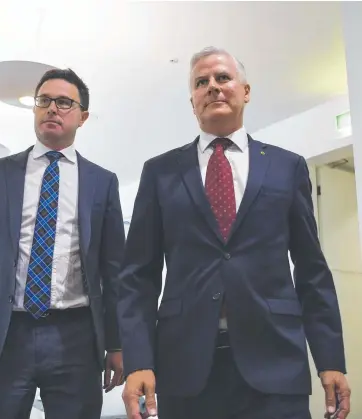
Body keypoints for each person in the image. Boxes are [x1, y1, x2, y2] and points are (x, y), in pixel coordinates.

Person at [117, 47, 351, 419]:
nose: (212, 87)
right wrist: (138, 361)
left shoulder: (286, 167)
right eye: (201, 82)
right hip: (185, 367)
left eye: (223, 78)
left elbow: (311, 269)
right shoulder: (160, 172)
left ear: (245, 91)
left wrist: (330, 359)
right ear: (192, 102)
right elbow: (137, 278)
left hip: (275, 363)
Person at [0, 68, 126, 419]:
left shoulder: (103, 183)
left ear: (82, 116)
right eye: (44, 101)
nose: (52, 108)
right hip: (4, 333)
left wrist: (117, 343)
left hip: (77, 338)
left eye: (64, 102)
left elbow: (114, 274)